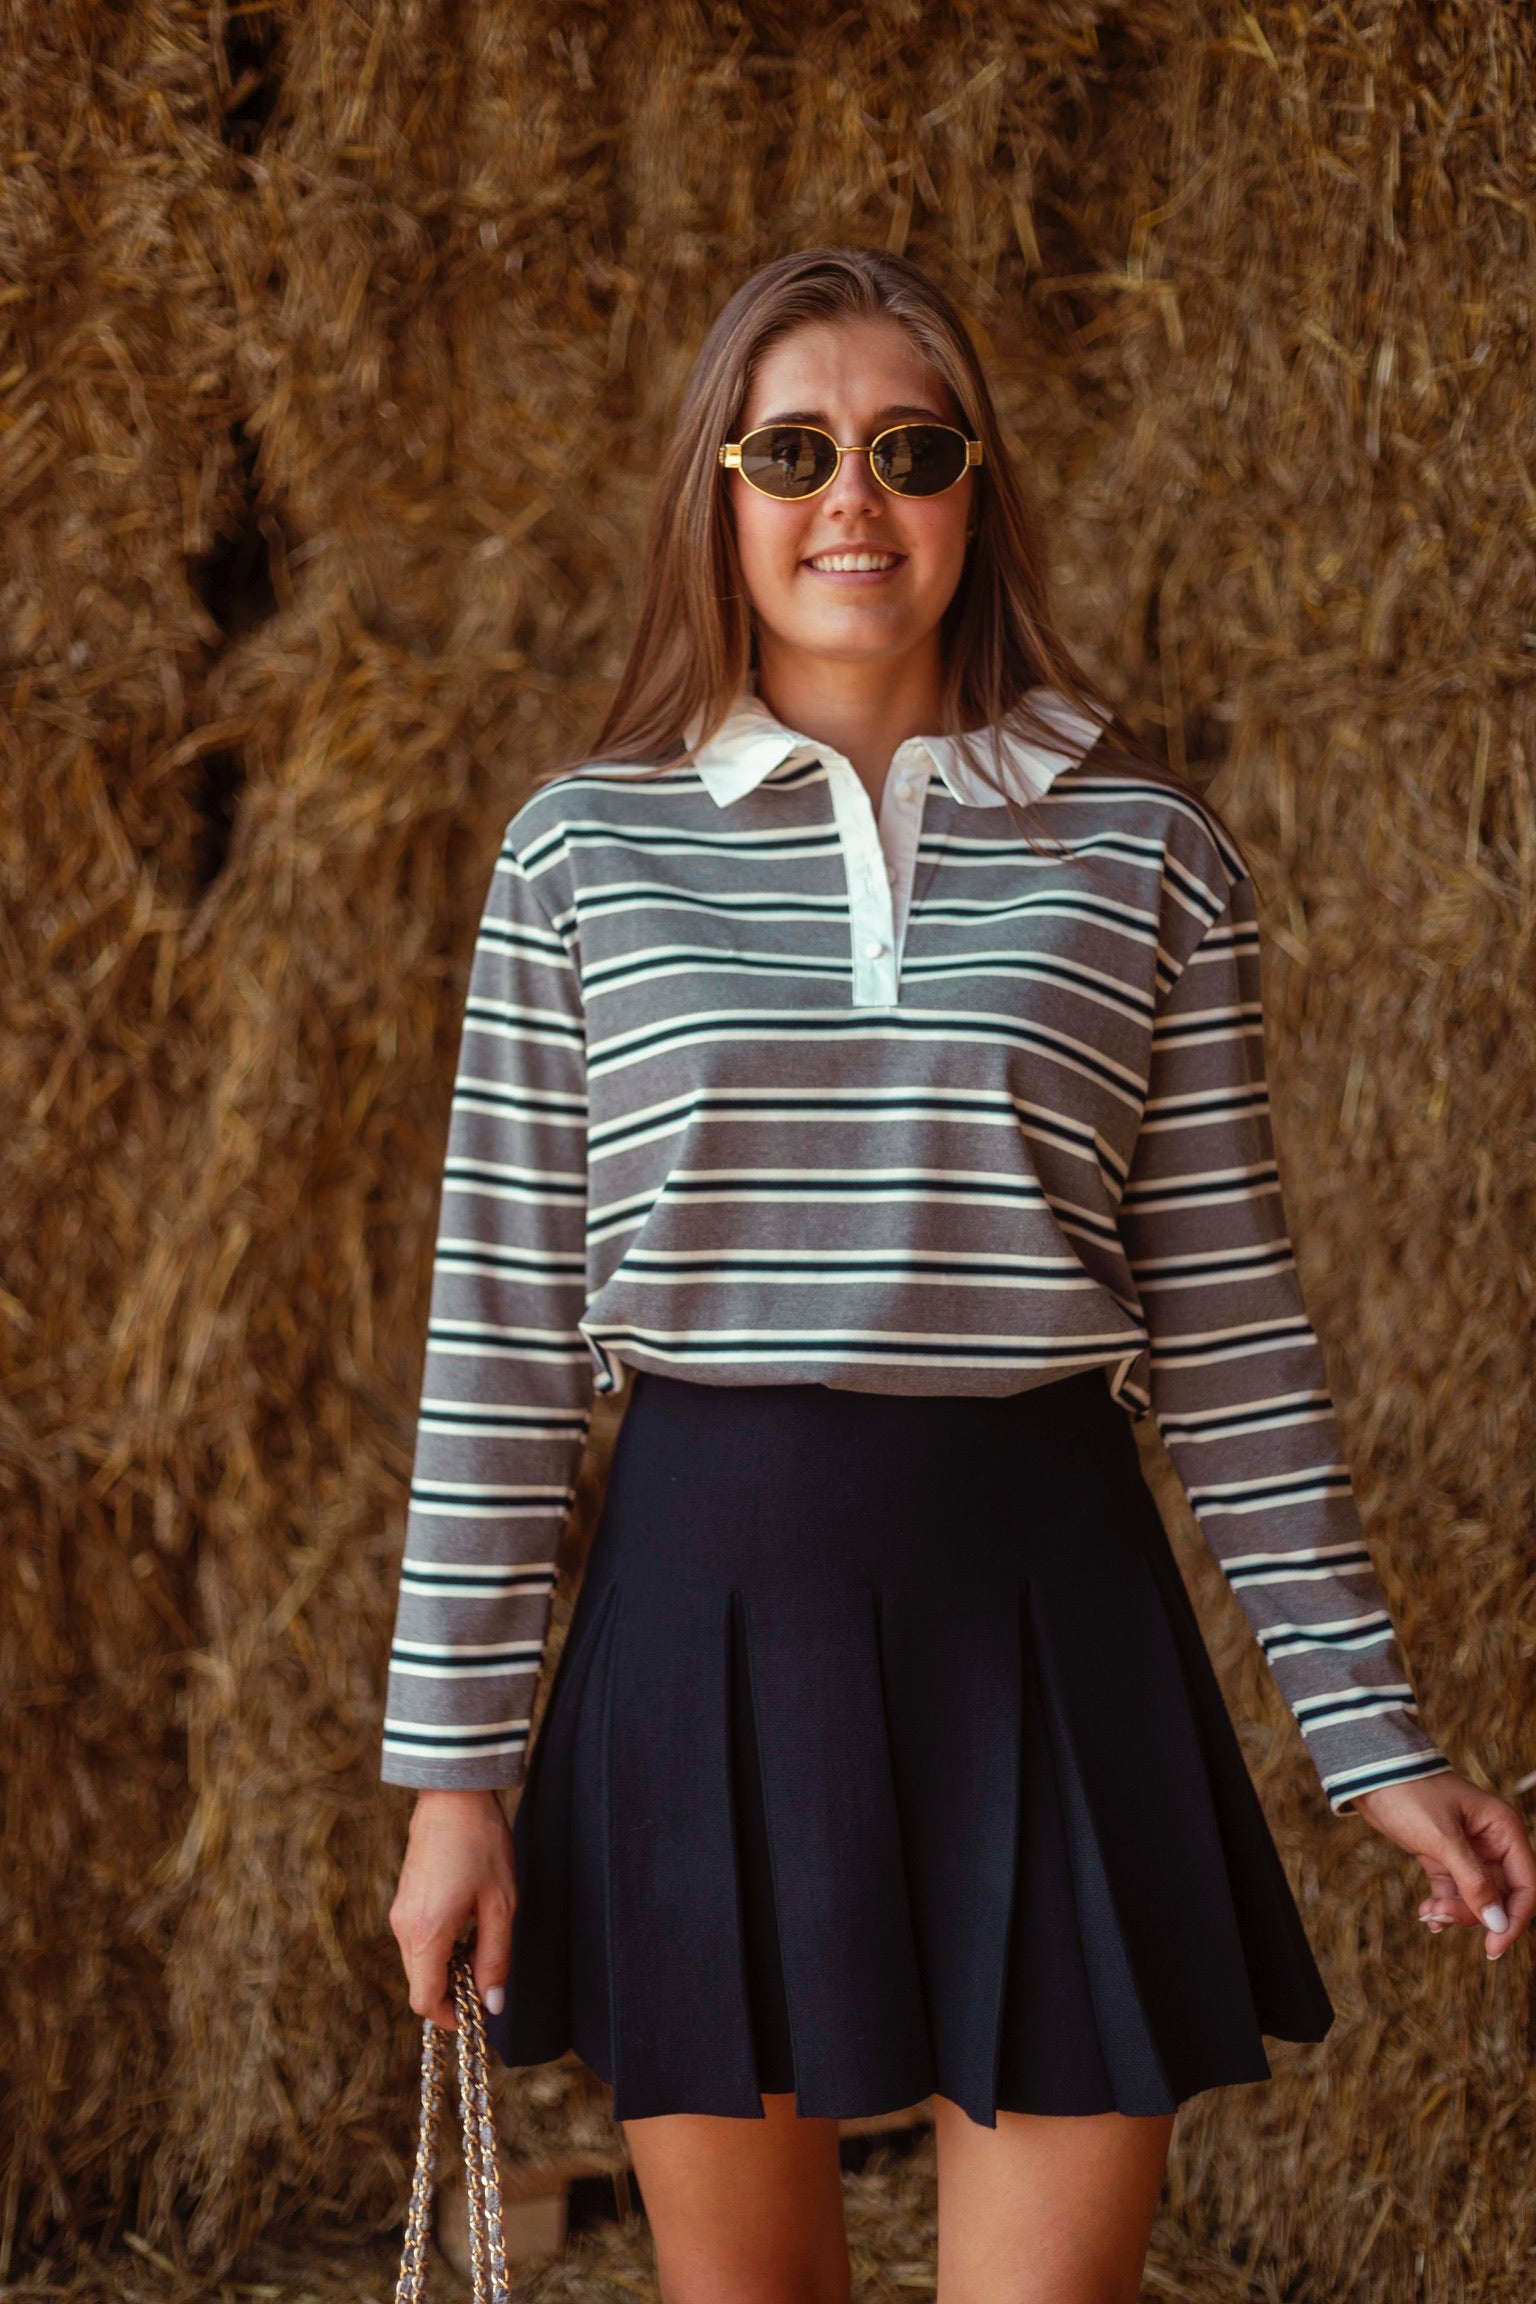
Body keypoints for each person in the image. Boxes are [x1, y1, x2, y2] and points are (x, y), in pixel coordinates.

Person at [383, 248, 1534, 2304]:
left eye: (912, 451)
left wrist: (1375, 1738)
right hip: (702, 1637)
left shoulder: (1149, 852)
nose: (855, 500)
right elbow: (501, 1344)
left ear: (978, 491)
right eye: (795, 452)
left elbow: (1231, 1332)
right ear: (718, 492)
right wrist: (453, 1787)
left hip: (1057, 1636)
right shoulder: (579, 855)